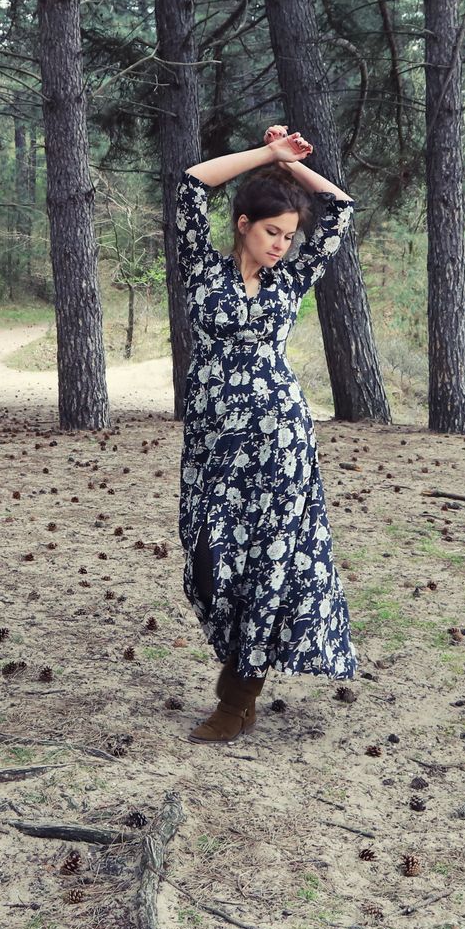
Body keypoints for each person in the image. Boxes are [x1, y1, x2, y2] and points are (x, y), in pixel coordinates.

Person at [171, 125, 359, 744]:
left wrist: (299, 175)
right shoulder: (202, 265)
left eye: (288, 236)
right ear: (244, 223)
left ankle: (238, 695)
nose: (281, 245)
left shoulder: (289, 280)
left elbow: (340, 209)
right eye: (271, 230)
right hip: (215, 440)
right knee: (208, 559)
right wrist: (271, 156)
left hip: (279, 435)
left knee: (268, 560)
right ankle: (238, 674)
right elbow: (192, 183)